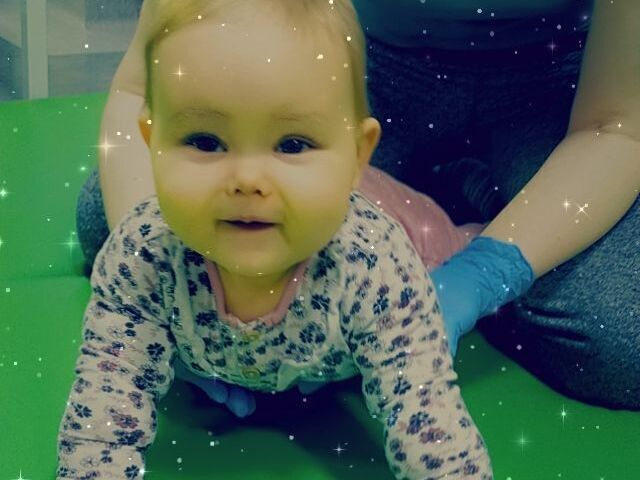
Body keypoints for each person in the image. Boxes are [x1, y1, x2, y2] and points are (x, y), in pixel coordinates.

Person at [77, 0, 640, 425]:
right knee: (121, 224)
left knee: (619, 343)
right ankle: (438, 206)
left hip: (561, 80)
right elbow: (140, 90)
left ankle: (458, 218)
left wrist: (483, 275)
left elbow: (617, 126)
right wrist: (167, 289)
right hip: (361, 60)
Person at [58, 0, 505, 477]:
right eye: (206, 142)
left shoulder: (377, 265)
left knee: (445, 227)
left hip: (411, 227)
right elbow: (102, 413)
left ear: (357, 155)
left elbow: (428, 418)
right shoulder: (143, 254)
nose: (247, 180)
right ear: (153, 144)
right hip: (306, 215)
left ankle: (466, 179)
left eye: (292, 144)